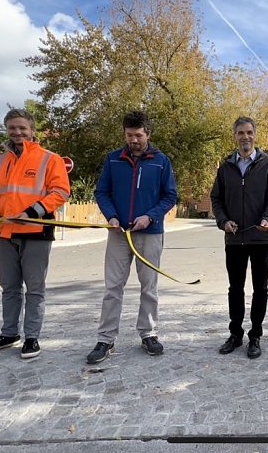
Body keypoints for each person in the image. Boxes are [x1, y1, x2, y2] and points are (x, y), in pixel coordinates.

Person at [0, 109, 70, 359]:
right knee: (9, 287)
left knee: (35, 288)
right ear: (6, 130)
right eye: (12, 128)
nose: (17, 132)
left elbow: (61, 192)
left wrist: (31, 212)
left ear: (32, 130)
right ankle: (9, 334)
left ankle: (31, 337)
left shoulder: (50, 159)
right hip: (3, 232)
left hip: (36, 231)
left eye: (22, 128)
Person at [86, 111, 178, 364]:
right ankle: (105, 338)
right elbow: (102, 191)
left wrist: (150, 216)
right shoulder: (113, 159)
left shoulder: (161, 161)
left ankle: (149, 333)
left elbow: (170, 196)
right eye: (129, 135)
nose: (133, 140)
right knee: (112, 287)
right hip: (119, 233)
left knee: (149, 287)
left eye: (138, 135)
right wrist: (111, 216)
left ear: (148, 134)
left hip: (150, 233)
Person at [210, 116, 268, 359]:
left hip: (261, 237)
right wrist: (223, 221)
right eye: (241, 133)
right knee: (235, 289)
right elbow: (216, 199)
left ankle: (255, 336)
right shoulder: (225, 167)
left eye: (249, 132)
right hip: (234, 238)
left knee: (260, 289)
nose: (245, 137)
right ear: (235, 136)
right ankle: (235, 334)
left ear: (255, 134)